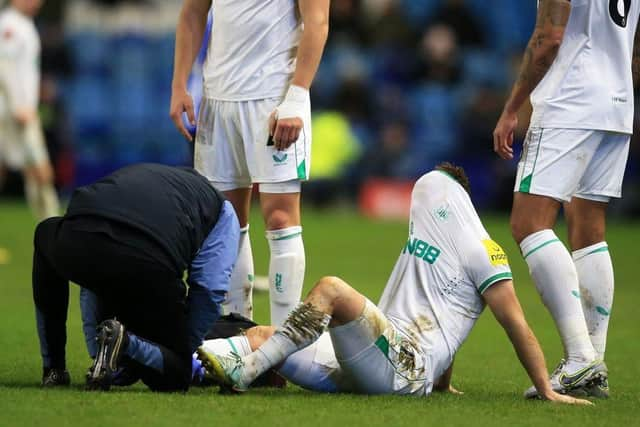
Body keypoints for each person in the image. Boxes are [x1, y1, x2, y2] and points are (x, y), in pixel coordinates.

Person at [196, 163, 593, 404]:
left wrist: (545, 388)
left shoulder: (485, 253)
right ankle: (173, 360)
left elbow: (517, 325)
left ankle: (246, 373)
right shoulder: (425, 245)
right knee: (264, 334)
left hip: (405, 368)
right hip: (376, 361)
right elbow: (444, 314)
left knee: (332, 288)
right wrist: (444, 383)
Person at [493, 0, 640, 397]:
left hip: (570, 99)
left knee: (528, 223)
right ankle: (594, 362)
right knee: (588, 230)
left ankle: (580, 358)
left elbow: (549, 38)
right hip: (617, 102)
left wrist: (512, 107)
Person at [170, 0, 330, 325]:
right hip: (217, 99)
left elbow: (318, 21)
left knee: (281, 218)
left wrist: (297, 99)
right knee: (226, 224)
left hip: (273, 97)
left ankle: (284, 344)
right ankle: (239, 336)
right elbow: (192, 12)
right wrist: (179, 84)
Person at [32, 163, 239, 391]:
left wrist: (95, 348)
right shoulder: (223, 211)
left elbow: (90, 282)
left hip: (80, 238)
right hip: (148, 260)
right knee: (175, 375)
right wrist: (179, 350)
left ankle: (54, 368)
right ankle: (124, 345)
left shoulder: (146, 174)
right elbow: (209, 290)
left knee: (45, 234)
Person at [0, 0, 59, 220]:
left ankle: (48, 225)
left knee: (35, 172)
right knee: (41, 171)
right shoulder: (9, 25)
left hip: (19, 110)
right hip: (14, 113)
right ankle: (51, 226)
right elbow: (4, 68)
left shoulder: (24, 24)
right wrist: (20, 106)